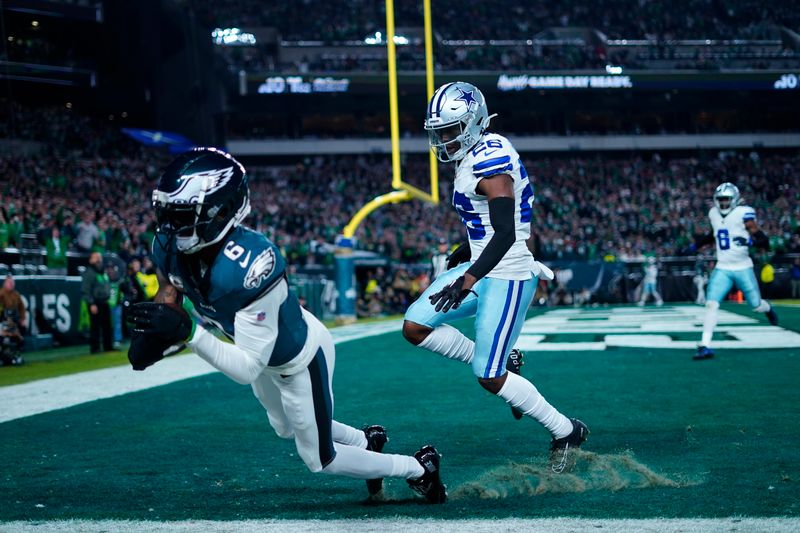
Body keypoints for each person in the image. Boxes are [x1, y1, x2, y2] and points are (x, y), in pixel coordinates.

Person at [127, 147, 446, 503]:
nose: (170, 227)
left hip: (298, 358)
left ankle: (418, 468)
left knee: (320, 459)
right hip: (260, 350)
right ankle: (364, 441)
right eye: (166, 214)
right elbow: (168, 296)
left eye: (182, 215)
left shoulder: (251, 262)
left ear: (220, 211)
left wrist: (188, 332)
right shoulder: (170, 247)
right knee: (283, 428)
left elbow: (247, 368)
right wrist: (153, 332)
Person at [402, 81, 588, 474]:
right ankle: (505, 358)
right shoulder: (475, 152)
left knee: (489, 377)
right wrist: (466, 250)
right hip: (485, 263)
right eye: (439, 132)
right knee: (415, 326)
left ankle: (565, 429)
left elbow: (506, 232)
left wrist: (468, 276)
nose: (444, 139)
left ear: (473, 123)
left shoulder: (490, 161)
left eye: (450, 130)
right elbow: (488, 224)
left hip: (508, 273)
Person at [692, 182, 778, 360]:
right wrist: (697, 244)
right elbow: (714, 234)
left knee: (756, 305)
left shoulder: (743, 213)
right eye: (720, 200)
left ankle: (768, 308)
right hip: (722, 267)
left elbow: (762, 239)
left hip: (743, 267)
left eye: (726, 200)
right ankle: (705, 345)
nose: (723, 204)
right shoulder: (713, 214)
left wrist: (752, 242)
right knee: (711, 304)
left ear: (735, 200)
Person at [82, 252, 112, 353]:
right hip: (95, 302)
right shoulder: (89, 272)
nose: (99, 259)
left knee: (107, 326)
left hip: (104, 301)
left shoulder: (103, 271)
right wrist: (91, 303)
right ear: (90, 260)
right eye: (96, 257)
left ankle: (108, 346)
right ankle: (95, 348)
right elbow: (85, 290)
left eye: (99, 257)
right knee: (95, 326)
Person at [0, 274, 27, 366]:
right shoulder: (1, 294)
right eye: (9, 282)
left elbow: (22, 307)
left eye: (12, 282)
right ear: (5, 283)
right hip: (3, 321)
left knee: (19, 339)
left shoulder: (16, 294)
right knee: (4, 339)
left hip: (12, 321)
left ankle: (14, 356)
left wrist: (23, 319)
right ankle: (4, 357)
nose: (11, 284)